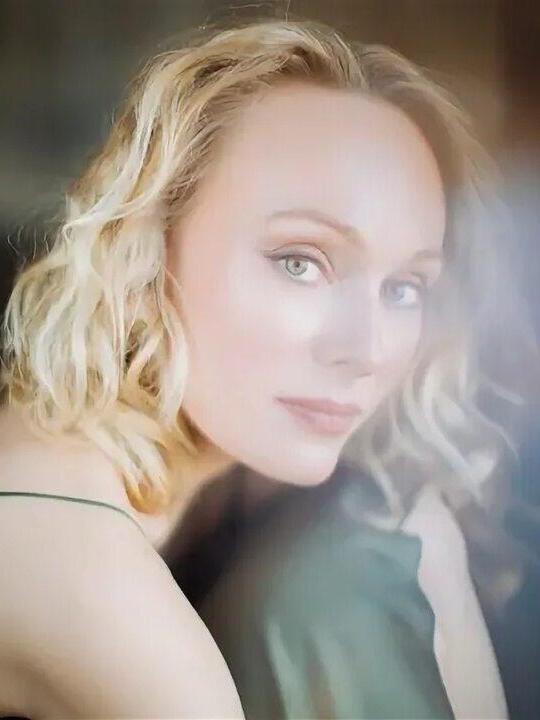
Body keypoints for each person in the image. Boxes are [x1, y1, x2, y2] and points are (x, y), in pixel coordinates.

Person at [0, 15, 537, 719]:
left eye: (406, 287)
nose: (367, 350)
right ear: (150, 244)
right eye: (300, 262)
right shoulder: (103, 600)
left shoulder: (191, 465)